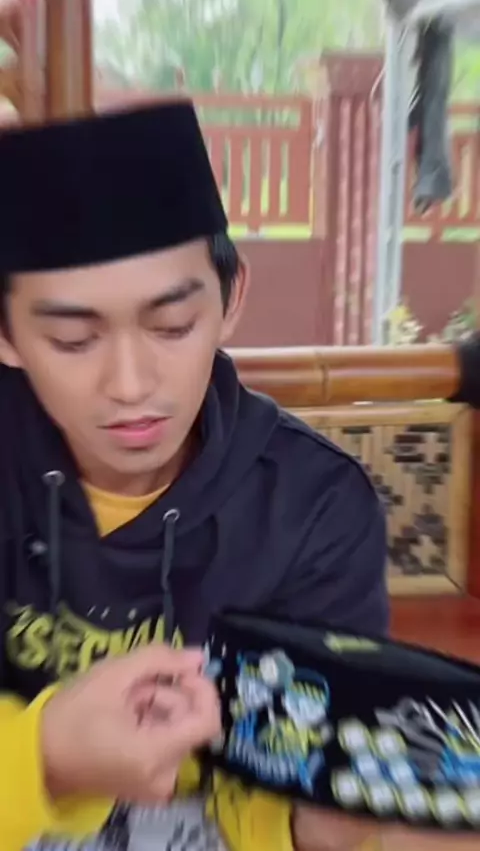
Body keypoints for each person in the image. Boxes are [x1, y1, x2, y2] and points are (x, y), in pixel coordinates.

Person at [0, 100, 388, 851]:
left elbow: (297, 777)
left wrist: (319, 823)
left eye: (172, 326)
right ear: (7, 333)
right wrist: (44, 759)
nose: (130, 384)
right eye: (73, 339)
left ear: (231, 298)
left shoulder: (314, 507)